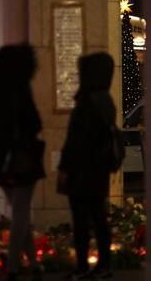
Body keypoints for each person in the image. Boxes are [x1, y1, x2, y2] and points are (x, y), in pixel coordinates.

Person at [0, 44, 44, 281]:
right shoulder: (20, 88)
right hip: (23, 158)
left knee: (19, 214)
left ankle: (34, 264)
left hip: (2, 161)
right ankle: (13, 267)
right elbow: (35, 123)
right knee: (21, 213)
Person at [58, 53, 116, 280]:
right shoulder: (106, 100)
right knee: (99, 218)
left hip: (82, 170)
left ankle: (82, 267)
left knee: (81, 220)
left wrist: (65, 167)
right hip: (99, 170)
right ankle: (104, 265)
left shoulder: (87, 101)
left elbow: (75, 140)